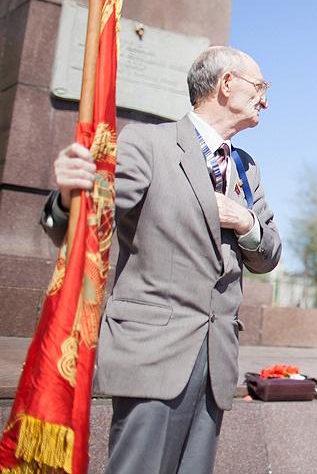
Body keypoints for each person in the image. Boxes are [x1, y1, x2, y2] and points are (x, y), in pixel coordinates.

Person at [44, 46, 282, 474]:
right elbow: (96, 214)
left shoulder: (247, 168)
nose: (265, 99)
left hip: (215, 365)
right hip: (153, 356)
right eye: (259, 87)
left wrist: (246, 221)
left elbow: (269, 256)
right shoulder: (147, 143)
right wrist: (68, 197)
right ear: (227, 85)